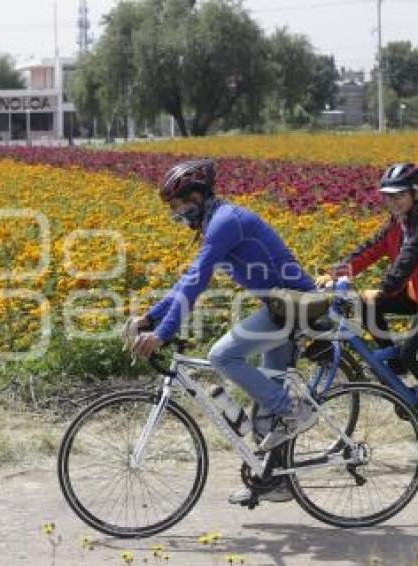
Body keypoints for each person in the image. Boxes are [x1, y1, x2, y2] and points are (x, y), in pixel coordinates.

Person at [124, 158, 317, 505]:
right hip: (278, 307)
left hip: (294, 306)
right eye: (174, 207)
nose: (179, 212)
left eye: (182, 204)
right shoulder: (216, 221)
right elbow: (188, 280)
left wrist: (164, 334)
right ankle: (275, 480)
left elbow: (197, 282)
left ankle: (294, 410)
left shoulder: (226, 222)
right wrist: (151, 319)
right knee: (266, 406)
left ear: (199, 195)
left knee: (222, 356)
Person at [318, 163, 418, 440]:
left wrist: (387, 287)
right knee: (369, 305)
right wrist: (333, 275)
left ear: (415, 193)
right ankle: (397, 368)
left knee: (412, 351)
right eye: (388, 196)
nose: (393, 201)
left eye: (399, 195)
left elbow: (411, 256)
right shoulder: (399, 221)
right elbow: (370, 250)